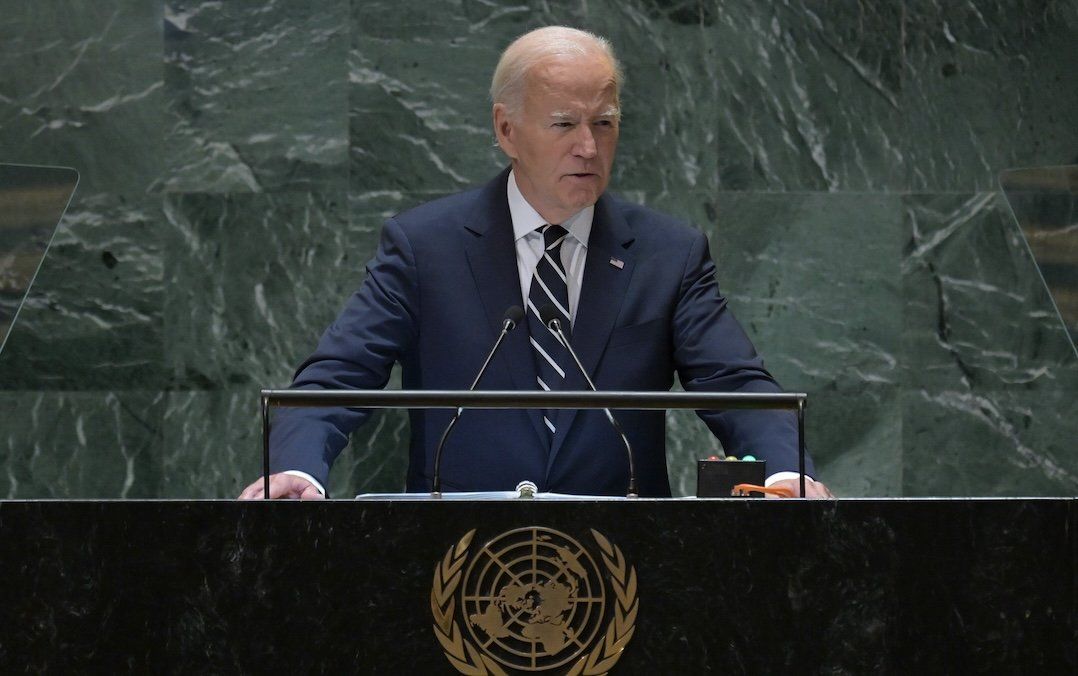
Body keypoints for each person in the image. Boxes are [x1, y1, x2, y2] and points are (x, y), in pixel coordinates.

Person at [239, 26, 832, 500]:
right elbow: (337, 377)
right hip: (452, 561)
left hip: (628, 563)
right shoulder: (426, 247)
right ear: (506, 129)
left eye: (605, 123)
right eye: (564, 125)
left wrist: (784, 473)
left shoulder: (668, 255)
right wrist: (298, 470)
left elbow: (734, 383)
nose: (589, 147)